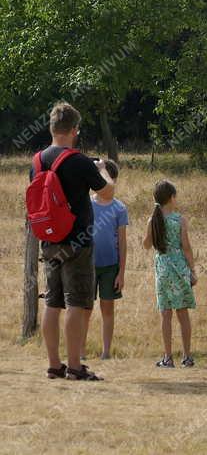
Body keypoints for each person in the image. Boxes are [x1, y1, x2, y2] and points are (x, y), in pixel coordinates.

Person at [35, 102, 113, 381]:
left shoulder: (38, 160)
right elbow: (107, 192)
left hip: (49, 241)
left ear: (52, 128)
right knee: (76, 303)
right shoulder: (79, 161)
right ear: (74, 130)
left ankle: (54, 365)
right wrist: (102, 169)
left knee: (52, 303)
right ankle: (75, 367)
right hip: (77, 242)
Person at [142, 180, 198, 368]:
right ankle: (187, 356)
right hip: (179, 267)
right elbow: (187, 247)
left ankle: (167, 357)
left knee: (165, 313)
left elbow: (147, 245)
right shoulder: (179, 220)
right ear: (171, 198)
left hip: (162, 267)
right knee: (182, 313)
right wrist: (192, 269)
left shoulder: (153, 219)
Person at [82, 159, 128, 360]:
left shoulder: (119, 208)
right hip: (87, 265)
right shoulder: (87, 203)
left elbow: (123, 243)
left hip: (111, 267)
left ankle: (106, 352)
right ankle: (80, 352)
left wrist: (121, 273)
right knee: (85, 310)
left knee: (107, 308)